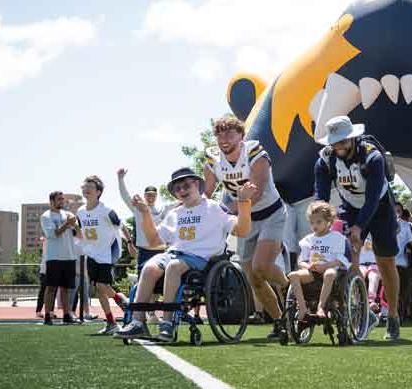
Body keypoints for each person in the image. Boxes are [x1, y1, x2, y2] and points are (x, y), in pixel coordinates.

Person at [114, 167, 257, 341]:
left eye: (186, 186)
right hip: (173, 254)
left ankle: (167, 324)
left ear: (197, 185)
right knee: (149, 267)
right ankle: (138, 322)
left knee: (174, 267)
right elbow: (154, 241)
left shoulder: (214, 208)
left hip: (200, 259)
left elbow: (242, 230)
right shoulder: (174, 213)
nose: (181, 190)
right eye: (177, 188)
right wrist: (145, 213)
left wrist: (243, 202)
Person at [314, 116, 401, 341]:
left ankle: (392, 316)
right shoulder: (325, 160)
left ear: (353, 138)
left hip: (379, 207)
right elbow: (322, 198)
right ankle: (361, 313)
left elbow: (372, 198)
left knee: (385, 262)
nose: (338, 146)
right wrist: (321, 223)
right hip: (350, 206)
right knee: (350, 259)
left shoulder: (373, 157)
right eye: (334, 142)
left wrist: (359, 227)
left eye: (342, 141)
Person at [203, 115, 288, 338]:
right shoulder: (212, 159)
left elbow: (256, 193)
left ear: (241, 136)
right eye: (220, 134)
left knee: (261, 266)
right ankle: (280, 320)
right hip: (245, 217)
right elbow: (205, 196)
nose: (224, 139)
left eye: (230, 133)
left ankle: (290, 288)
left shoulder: (255, 153)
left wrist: (227, 211)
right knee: (254, 277)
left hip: (270, 214)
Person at [75, 175, 131, 335]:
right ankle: (111, 323)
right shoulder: (80, 211)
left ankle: (123, 301)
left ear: (98, 192)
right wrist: (75, 230)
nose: (86, 189)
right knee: (99, 290)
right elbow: (81, 232)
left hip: (107, 252)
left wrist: (130, 243)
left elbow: (122, 225)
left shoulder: (106, 211)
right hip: (91, 253)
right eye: (84, 186)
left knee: (101, 285)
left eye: (90, 187)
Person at [118, 168, 170, 323]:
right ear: (144, 195)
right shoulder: (137, 209)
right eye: (148, 195)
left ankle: (152, 314)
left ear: (157, 196)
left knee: (159, 285)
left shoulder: (163, 209)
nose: (151, 197)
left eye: (153, 195)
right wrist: (120, 179)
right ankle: (139, 315)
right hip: (144, 252)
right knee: (143, 284)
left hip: (161, 252)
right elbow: (125, 196)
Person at [288, 201, 350, 320]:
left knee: (329, 273)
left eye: (318, 222)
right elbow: (301, 261)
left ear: (329, 222)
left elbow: (341, 260)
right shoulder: (308, 240)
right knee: (293, 275)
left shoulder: (337, 238)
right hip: (312, 271)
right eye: (312, 223)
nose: (314, 226)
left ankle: (320, 307)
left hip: (330, 271)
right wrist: (308, 266)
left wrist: (326, 266)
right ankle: (302, 307)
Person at [40, 191, 79, 325]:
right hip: (54, 257)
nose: (62, 202)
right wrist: (67, 224)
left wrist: (75, 224)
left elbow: (77, 233)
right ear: (51, 201)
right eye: (59, 199)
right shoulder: (46, 216)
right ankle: (47, 315)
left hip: (69, 256)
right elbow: (53, 234)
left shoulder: (67, 214)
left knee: (66, 288)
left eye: (63, 199)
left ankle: (67, 314)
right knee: (51, 287)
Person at [395, 203, 412, 321]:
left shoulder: (406, 226)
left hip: (402, 263)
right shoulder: (382, 225)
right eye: (393, 211)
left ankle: (403, 310)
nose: (396, 213)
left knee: (405, 288)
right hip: (384, 263)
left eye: (398, 211)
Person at [359, 236, 382, 314]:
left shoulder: (378, 232)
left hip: (375, 263)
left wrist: (373, 246)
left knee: (373, 276)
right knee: (360, 275)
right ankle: (357, 300)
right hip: (360, 264)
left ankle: (371, 300)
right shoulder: (358, 231)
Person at [35, 237, 48, 319]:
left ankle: (50, 311)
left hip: (52, 269)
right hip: (44, 270)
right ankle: (39, 311)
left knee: (52, 291)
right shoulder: (46, 241)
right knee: (43, 291)